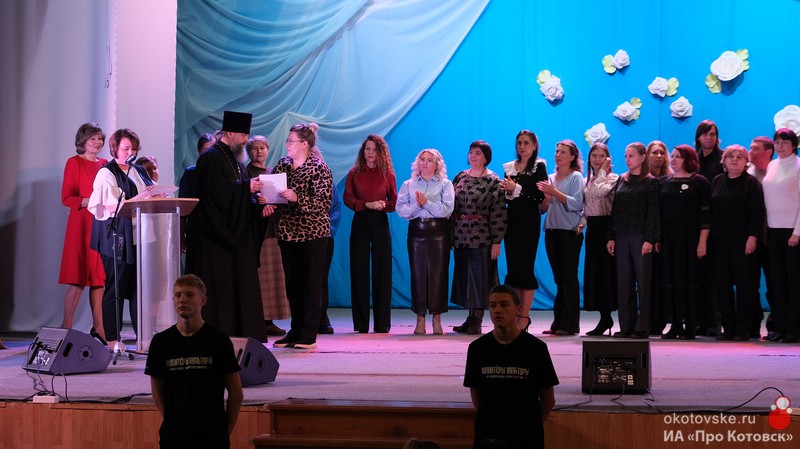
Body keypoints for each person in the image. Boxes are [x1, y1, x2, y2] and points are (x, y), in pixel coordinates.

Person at [185, 111, 267, 342]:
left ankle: (241, 333)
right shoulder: (209, 158)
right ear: (229, 133)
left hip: (235, 236)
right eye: (243, 135)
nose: (245, 140)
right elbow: (214, 193)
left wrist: (257, 204)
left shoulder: (237, 162)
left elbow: (239, 193)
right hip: (213, 238)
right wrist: (245, 188)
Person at [145, 274, 243, 449]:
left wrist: (223, 434)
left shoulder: (219, 340)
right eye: (178, 295)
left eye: (190, 295)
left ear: (203, 300)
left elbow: (236, 393)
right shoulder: (160, 342)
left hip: (212, 438)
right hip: (173, 437)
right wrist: (174, 421)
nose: (182, 299)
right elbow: (157, 394)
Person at [464, 284, 558, 449]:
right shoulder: (477, 349)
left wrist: (530, 427)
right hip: (488, 437)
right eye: (493, 306)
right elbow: (476, 393)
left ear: (518, 309)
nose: (497, 310)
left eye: (504, 305)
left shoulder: (536, 348)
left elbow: (548, 399)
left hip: (526, 438)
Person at [87, 128, 154, 349]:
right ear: (115, 149)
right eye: (126, 148)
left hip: (139, 236)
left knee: (138, 289)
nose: (130, 153)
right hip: (117, 237)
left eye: (133, 149)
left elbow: (150, 192)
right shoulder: (107, 173)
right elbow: (111, 205)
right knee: (114, 288)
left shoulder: (139, 171)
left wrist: (157, 195)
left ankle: (143, 337)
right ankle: (113, 339)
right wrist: (140, 198)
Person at [269, 123, 333, 350]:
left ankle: (308, 333)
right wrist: (266, 200)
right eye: (287, 141)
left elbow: (323, 203)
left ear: (305, 144)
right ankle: (295, 330)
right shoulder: (283, 165)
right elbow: (272, 191)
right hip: (287, 233)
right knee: (293, 284)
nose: (287, 144)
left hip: (312, 234)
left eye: (291, 141)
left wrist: (297, 197)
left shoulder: (319, 168)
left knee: (310, 284)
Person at [451, 140, 506, 335]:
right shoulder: (460, 176)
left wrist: (497, 241)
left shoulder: (493, 180)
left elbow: (498, 213)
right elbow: (450, 206)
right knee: (466, 277)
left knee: (480, 279)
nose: (473, 156)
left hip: (482, 236)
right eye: (471, 152)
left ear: (486, 157)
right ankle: (470, 318)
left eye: (478, 153)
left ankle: (477, 319)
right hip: (460, 234)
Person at [343, 135, 397, 334]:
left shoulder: (388, 174)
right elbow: (348, 198)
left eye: (374, 149)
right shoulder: (354, 173)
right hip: (361, 222)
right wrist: (367, 204)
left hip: (380, 222)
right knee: (359, 271)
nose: (370, 153)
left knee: (383, 272)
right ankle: (361, 324)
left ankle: (382, 324)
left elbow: (394, 201)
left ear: (381, 152)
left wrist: (383, 205)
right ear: (363, 151)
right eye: (367, 149)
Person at [397, 149, 455, 335]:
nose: (425, 163)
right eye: (422, 159)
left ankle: (437, 319)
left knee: (438, 275)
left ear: (437, 164)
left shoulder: (445, 184)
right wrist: (418, 204)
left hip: (439, 233)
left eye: (430, 160)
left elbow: (446, 210)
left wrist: (427, 203)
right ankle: (420, 318)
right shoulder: (408, 184)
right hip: (417, 232)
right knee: (418, 274)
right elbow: (402, 210)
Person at [710, 145, 765, 341]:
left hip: (743, 241)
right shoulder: (717, 181)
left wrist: (753, 237)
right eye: (731, 156)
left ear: (746, 162)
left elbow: (757, 212)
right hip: (720, 242)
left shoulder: (751, 183)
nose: (734, 159)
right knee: (722, 285)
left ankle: (743, 328)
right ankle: (729, 327)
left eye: (739, 157)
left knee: (745, 285)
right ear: (724, 161)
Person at [59, 122, 107, 340]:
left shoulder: (105, 164)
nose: (97, 142)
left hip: (100, 223)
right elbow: (67, 198)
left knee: (99, 279)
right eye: (92, 139)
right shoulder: (74, 162)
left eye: (100, 138)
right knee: (78, 278)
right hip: (80, 225)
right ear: (83, 141)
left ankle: (99, 327)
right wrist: (92, 200)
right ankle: (66, 325)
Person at [606, 142, 660, 338]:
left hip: (640, 237)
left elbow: (654, 213)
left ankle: (642, 326)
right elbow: (615, 210)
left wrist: (650, 239)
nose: (627, 159)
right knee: (624, 282)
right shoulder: (622, 179)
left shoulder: (650, 182)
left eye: (632, 156)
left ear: (642, 157)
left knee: (643, 282)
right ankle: (626, 325)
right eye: (626, 156)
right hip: (621, 235)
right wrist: (611, 236)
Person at [658, 145, 711, 340]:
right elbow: (658, 213)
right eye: (672, 156)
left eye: (678, 157)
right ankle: (675, 324)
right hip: (668, 238)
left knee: (689, 281)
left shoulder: (700, 182)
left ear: (688, 159)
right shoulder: (664, 182)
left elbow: (706, 214)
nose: (673, 160)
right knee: (670, 281)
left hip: (691, 239)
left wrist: (702, 241)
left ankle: (691, 324)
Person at [500, 130, 548, 331]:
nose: (522, 146)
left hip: (529, 221)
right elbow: (507, 198)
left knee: (525, 268)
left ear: (534, 146)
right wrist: (507, 191)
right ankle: (514, 314)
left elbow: (539, 197)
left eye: (526, 143)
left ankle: (524, 316)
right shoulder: (510, 167)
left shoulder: (539, 166)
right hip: (512, 221)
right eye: (519, 142)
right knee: (513, 269)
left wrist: (516, 189)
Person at [538, 139, 584, 336]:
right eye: (557, 151)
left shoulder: (576, 177)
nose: (558, 155)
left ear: (572, 157)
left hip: (569, 233)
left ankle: (571, 324)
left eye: (563, 152)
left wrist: (554, 192)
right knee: (559, 279)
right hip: (552, 232)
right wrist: (547, 198)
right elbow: (543, 209)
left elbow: (576, 204)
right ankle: (558, 321)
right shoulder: (550, 178)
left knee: (568, 277)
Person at [246, 136, 290, 337]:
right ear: (249, 151)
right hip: (256, 231)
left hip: (274, 228)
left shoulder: (274, 173)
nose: (259, 152)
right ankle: (258, 320)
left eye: (262, 148)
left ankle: (269, 320)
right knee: (259, 277)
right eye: (254, 148)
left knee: (274, 279)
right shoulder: (245, 173)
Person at [762, 128, 800, 343]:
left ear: (794, 145)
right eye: (777, 142)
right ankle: (781, 328)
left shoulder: (798, 166)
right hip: (774, 231)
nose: (780, 146)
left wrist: (797, 233)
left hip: (793, 232)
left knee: (793, 282)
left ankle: (794, 330)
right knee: (777, 282)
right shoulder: (772, 165)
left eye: (785, 142)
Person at [581, 143, 618, 336]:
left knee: (606, 275)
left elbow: (599, 192)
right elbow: (587, 206)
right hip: (593, 229)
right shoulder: (588, 179)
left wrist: (603, 171)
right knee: (595, 274)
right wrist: (582, 222)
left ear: (607, 158)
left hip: (607, 228)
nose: (597, 159)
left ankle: (608, 316)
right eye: (594, 155)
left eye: (601, 156)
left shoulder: (613, 178)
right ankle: (604, 317)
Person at [694, 120, 723, 337]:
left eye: (712, 134)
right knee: (699, 275)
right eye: (705, 134)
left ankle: (715, 320)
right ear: (698, 137)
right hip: (695, 223)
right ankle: (700, 320)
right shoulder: (694, 160)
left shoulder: (722, 159)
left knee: (715, 276)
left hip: (717, 223)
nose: (709, 138)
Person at [747, 136, 775, 338]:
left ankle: (776, 323)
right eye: (750, 148)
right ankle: (752, 324)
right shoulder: (748, 173)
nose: (750, 152)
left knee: (774, 283)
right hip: (753, 236)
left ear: (768, 152)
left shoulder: (775, 173)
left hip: (772, 235)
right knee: (750, 282)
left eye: (755, 149)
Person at [646, 140, 671, 335]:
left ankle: (660, 320)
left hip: (664, 238)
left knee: (661, 281)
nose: (659, 156)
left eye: (662, 153)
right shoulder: (641, 179)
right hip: (644, 237)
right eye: (654, 152)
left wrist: (658, 238)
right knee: (646, 282)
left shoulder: (669, 180)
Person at [318, 186, 342, 334]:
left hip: (324, 237)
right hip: (300, 237)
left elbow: (336, 209)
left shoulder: (328, 183)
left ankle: (322, 318)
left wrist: (326, 229)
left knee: (322, 279)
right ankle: (303, 319)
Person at [179, 132, 214, 199]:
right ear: (199, 150)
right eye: (205, 150)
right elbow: (183, 198)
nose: (208, 153)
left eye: (211, 150)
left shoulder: (218, 173)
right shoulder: (190, 172)